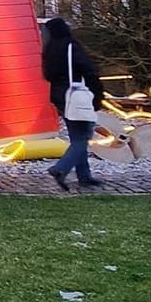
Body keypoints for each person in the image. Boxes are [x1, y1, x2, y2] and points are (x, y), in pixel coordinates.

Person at [40, 17, 105, 191]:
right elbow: (89, 70)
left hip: (60, 96)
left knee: (76, 135)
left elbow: (48, 76)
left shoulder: (50, 50)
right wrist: (98, 96)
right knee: (83, 137)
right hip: (77, 95)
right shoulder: (71, 47)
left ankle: (84, 175)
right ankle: (61, 169)